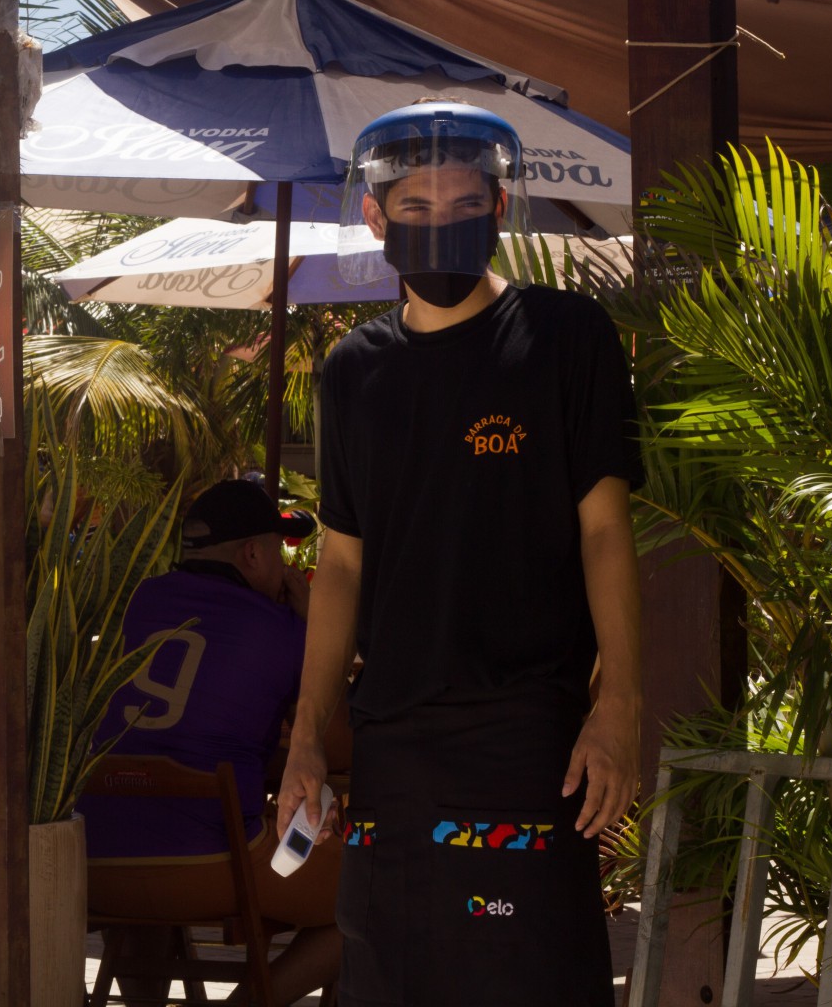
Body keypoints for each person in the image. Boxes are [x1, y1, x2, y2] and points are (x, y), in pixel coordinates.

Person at [278, 102, 642, 1007]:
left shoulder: (566, 337)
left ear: (500, 208)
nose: (442, 224)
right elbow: (342, 567)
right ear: (377, 217)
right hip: (392, 753)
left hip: (529, 741)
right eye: (417, 207)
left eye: (465, 204)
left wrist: (622, 705)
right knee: (388, 979)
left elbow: (606, 532)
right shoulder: (352, 370)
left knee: (532, 981)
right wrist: (307, 740)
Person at [80, 478, 342, 1005]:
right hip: (215, 866)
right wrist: (317, 626)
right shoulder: (281, 627)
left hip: (95, 866)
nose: (285, 566)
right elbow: (341, 748)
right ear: (253, 554)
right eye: (279, 551)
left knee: (150, 862)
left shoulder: (138, 601)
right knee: (372, 894)